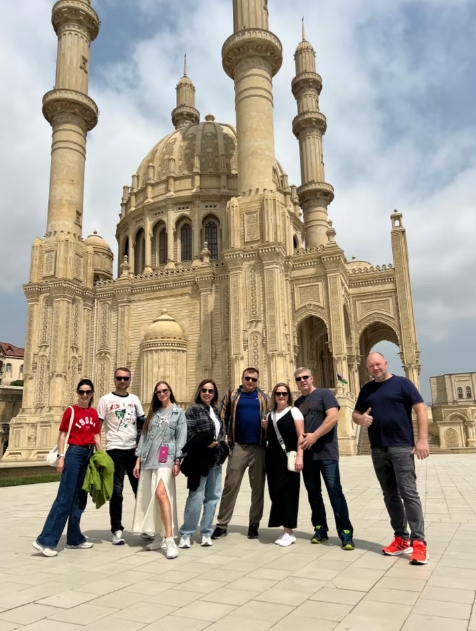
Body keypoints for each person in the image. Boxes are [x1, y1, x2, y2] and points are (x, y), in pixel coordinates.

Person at [353, 352, 430, 565]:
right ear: (367, 368)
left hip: (401, 446)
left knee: (409, 493)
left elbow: (420, 410)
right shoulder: (367, 389)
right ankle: (401, 538)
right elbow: (355, 414)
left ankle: (419, 542)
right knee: (390, 495)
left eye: (378, 364)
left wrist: (422, 440)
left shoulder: (402, 384)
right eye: (371, 366)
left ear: (385, 363)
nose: (375, 368)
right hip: (378, 448)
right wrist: (360, 418)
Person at [33, 379, 101, 557]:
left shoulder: (93, 413)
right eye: (81, 391)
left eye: (88, 392)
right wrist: (61, 457)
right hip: (74, 454)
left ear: (92, 393)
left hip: (88, 454)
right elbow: (63, 436)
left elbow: (96, 436)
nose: (85, 395)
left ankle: (74, 539)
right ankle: (45, 541)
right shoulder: (71, 410)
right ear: (77, 393)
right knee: (65, 497)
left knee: (80, 497)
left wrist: (101, 457)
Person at [295, 367, 355, 550]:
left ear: (312, 378)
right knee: (313, 494)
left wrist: (314, 436)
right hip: (309, 456)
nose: (302, 380)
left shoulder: (325, 394)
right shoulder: (297, 403)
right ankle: (320, 528)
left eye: (305, 377)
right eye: (299, 378)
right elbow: (297, 430)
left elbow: (333, 418)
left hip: (327, 453)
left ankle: (345, 532)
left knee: (335, 492)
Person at [212, 367, 270, 540]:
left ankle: (254, 524)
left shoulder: (264, 398)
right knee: (231, 485)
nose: (250, 381)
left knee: (258, 488)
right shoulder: (232, 395)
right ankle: (222, 524)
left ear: (257, 381)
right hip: (238, 446)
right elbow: (221, 416)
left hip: (258, 447)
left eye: (254, 379)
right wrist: (223, 439)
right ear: (242, 378)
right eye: (247, 378)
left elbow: (273, 417)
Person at [132, 381, 187, 560]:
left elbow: (181, 438)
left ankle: (169, 539)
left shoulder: (178, 412)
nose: (162, 394)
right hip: (149, 459)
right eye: (159, 392)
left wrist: (177, 460)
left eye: (165, 390)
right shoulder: (153, 413)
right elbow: (144, 437)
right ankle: (158, 535)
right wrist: (138, 460)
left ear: (170, 391)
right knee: (152, 497)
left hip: (166, 457)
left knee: (161, 493)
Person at [97, 367, 147, 545]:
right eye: (119, 378)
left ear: (129, 379)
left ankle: (145, 526)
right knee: (116, 492)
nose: (122, 381)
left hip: (133, 451)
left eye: (126, 378)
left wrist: (141, 446)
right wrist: (99, 452)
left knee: (140, 490)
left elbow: (143, 424)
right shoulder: (105, 400)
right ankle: (117, 530)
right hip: (114, 450)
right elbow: (97, 428)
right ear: (114, 379)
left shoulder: (134, 399)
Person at [179, 379, 228, 548]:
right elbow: (188, 433)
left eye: (210, 391)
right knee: (196, 496)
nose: (207, 393)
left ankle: (206, 532)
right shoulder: (193, 410)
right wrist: (206, 443)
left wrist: (221, 445)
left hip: (215, 459)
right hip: (199, 460)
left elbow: (221, 431)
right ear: (199, 391)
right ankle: (187, 533)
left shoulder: (215, 410)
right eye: (204, 390)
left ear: (214, 394)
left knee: (213, 497)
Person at [265, 382, 304, 547]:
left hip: (289, 459)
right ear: (274, 396)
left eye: (284, 394)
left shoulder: (294, 411)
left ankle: (289, 532)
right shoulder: (270, 415)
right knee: (276, 494)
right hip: (272, 459)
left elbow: (301, 435)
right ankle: (285, 529)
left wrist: (300, 457)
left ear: (289, 396)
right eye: (278, 393)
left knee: (288, 494)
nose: (281, 396)